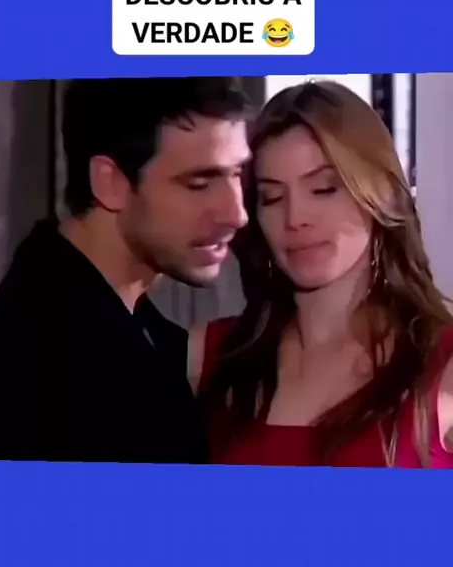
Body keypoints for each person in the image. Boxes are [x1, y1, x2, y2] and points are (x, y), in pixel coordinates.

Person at [0, 77, 251, 463]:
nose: (237, 215)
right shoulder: (46, 369)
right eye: (199, 183)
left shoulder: (129, 324)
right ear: (110, 182)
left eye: (237, 174)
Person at [193, 81, 453, 467]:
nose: (296, 218)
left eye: (324, 188)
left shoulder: (441, 363)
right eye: (272, 197)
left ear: (378, 193)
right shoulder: (208, 356)